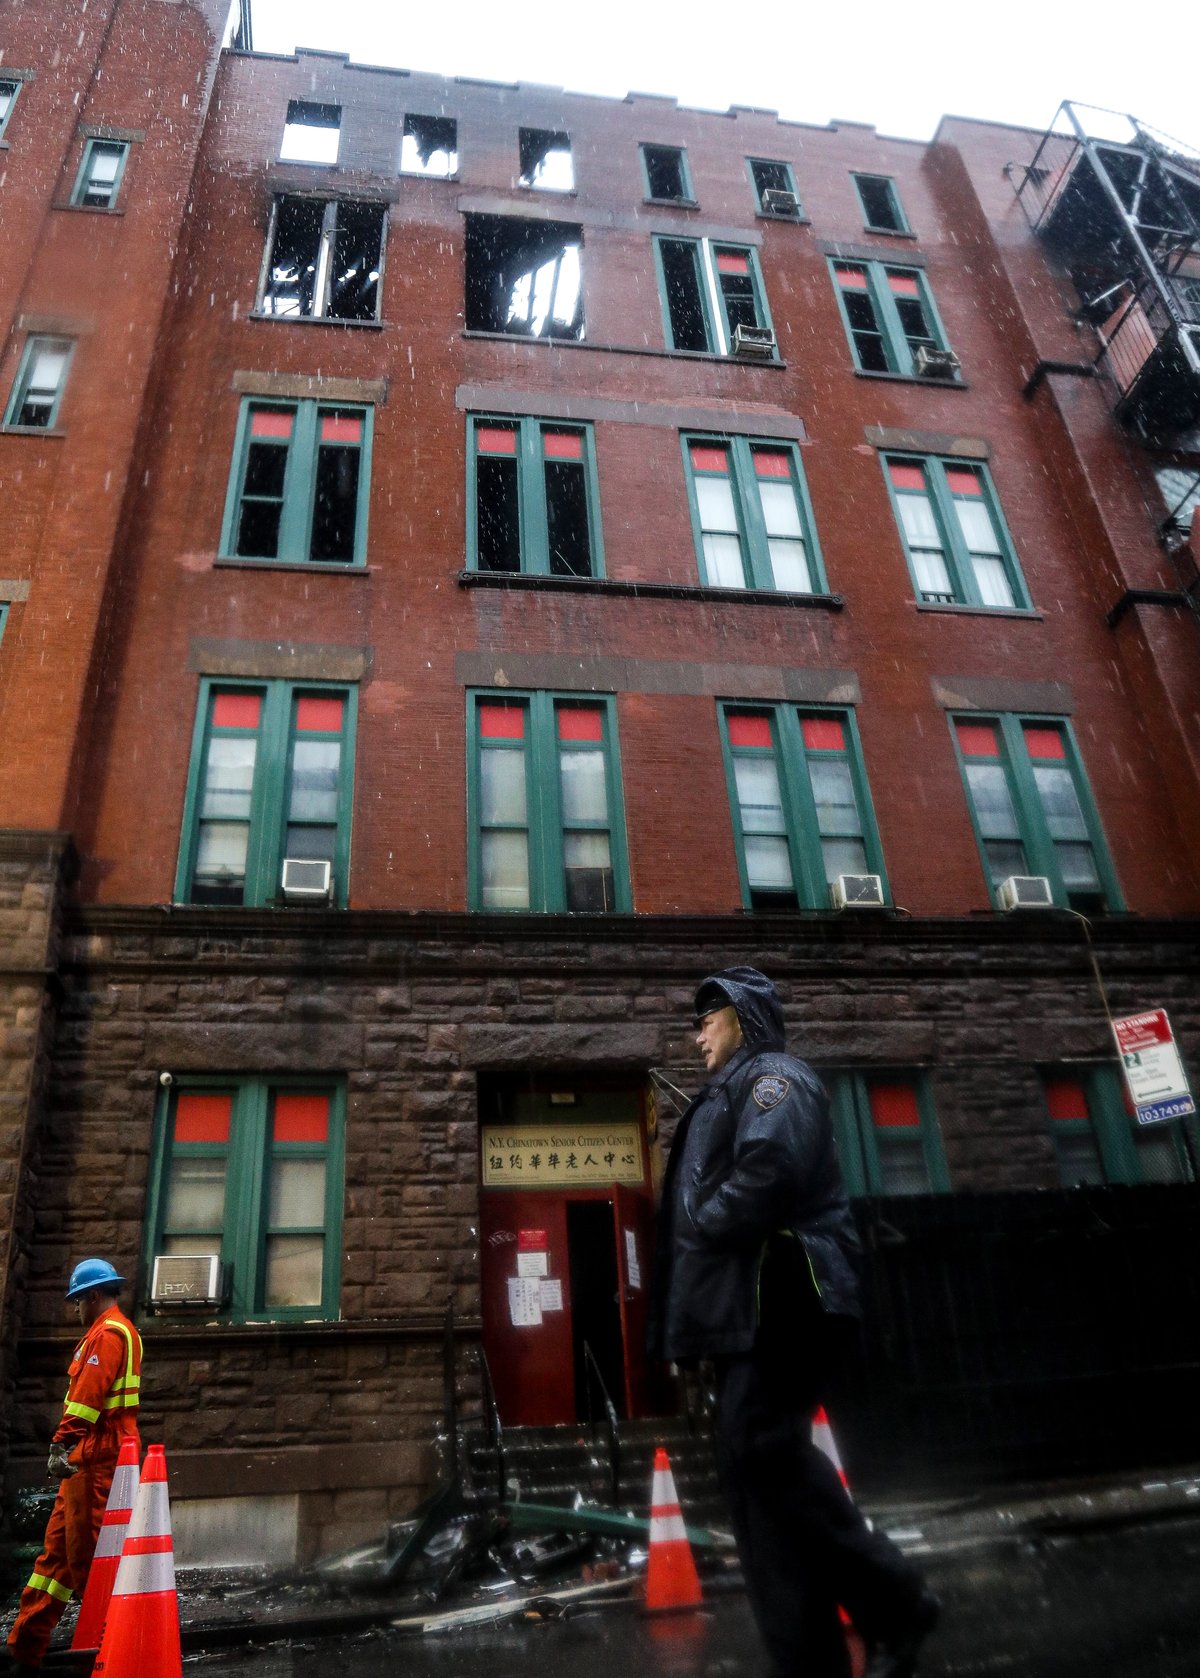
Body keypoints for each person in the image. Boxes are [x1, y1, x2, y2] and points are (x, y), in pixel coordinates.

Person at [648, 967, 939, 1678]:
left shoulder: (774, 1078)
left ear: (740, 1016)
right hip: (743, 1312)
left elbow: (769, 1173)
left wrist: (701, 1220)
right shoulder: (731, 1090)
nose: (696, 1036)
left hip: (786, 1296)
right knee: (753, 1486)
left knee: (758, 1442)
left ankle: (896, 1600)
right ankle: (808, 1658)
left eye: (705, 1020)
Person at [3, 1259, 142, 1673]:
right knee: (56, 1558)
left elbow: (86, 1400)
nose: (76, 1309)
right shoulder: (116, 1332)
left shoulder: (108, 1334)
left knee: (87, 1559)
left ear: (93, 1296)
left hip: (96, 1456)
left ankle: (109, 1647)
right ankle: (26, 1647)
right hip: (90, 1457)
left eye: (78, 1301)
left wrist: (60, 1442)